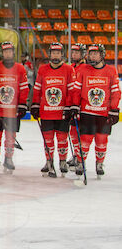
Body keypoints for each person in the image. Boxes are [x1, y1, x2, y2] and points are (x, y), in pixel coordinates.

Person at [71, 44, 120, 178]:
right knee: (85, 139)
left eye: (95, 54)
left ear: (102, 55)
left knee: (101, 139)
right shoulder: (83, 70)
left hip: (103, 113)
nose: (92, 56)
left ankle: (99, 163)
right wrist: (75, 105)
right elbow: (76, 90)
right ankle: (80, 162)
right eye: (90, 54)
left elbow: (115, 91)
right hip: (87, 111)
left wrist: (114, 109)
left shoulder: (111, 70)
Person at [30, 42, 76, 177]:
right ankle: (49, 161)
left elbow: (71, 90)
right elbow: (37, 89)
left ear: (62, 54)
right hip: (46, 112)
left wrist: (69, 106)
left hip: (62, 112)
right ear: (49, 54)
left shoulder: (68, 69)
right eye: (53, 53)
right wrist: (35, 105)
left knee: (62, 139)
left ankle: (62, 161)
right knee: (48, 139)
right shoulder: (43, 69)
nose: (56, 55)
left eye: (58, 53)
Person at [0, 41, 29, 174]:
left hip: (12, 110)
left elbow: (23, 87)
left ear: (13, 53)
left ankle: (8, 158)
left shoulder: (20, 68)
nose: (8, 53)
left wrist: (22, 104)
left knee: (11, 136)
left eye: (10, 51)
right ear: (1, 53)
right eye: (5, 51)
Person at [66, 43, 86, 169]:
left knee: (81, 133)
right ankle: (76, 155)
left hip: (82, 106)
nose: (74, 55)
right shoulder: (69, 67)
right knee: (73, 132)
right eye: (72, 52)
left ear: (83, 54)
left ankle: (80, 156)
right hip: (71, 105)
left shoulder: (86, 68)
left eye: (77, 52)